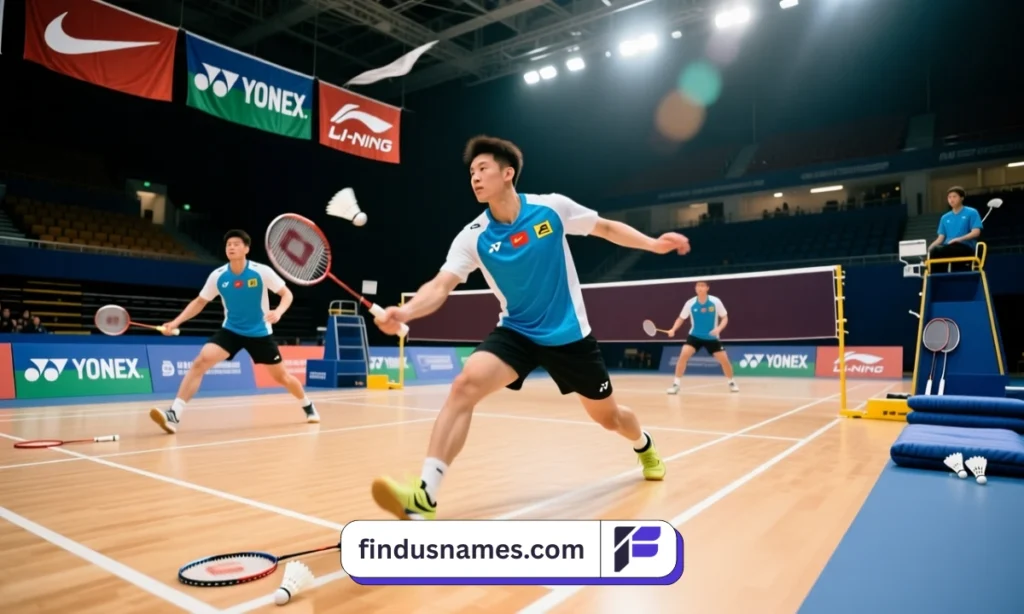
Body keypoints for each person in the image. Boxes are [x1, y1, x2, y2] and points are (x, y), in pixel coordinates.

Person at [369, 135, 692, 520]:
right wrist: (404, 313)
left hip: (570, 336)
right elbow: (440, 285)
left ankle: (644, 445)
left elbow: (604, 228)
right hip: (517, 332)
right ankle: (425, 496)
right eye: (471, 172)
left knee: (609, 419)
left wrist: (654, 244)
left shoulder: (550, 208)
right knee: (465, 385)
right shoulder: (472, 236)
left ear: (508, 173)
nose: (474, 177)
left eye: (483, 169)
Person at [149, 230, 319, 434]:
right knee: (200, 361)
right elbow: (200, 302)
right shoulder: (219, 276)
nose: (231, 247)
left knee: (282, 377)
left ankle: (308, 405)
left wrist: (279, 312)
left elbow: (287, 294)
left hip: (259, 333)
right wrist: (175, 322)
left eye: (236, 244)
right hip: (231, 331)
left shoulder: (261, 271)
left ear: (246, 249)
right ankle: (174, 414)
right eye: (228, 244)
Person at [664, 281, 738, 395]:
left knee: (724, 360)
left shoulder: (715, 301)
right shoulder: (690, 303)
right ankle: (676, 384)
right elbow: (681, 318)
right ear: (695, 288)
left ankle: (731, 382)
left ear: (707, 288)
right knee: (683, 355)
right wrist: (673, 329)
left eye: (702, 286)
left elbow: (725, 318)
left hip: (712, 337)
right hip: (695, 336)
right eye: (698, 286)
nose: (700, 288)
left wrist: (718, 329)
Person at [928, 186, 983, 271]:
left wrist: (958, 239)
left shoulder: (972, 212)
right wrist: (930, 248)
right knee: (934, 251)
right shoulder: (945, 217)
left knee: (939, 251)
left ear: (961, 198)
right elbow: (940, 238)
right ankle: (936, 277)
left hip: (965, 247)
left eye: (954, 196)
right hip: (948, 247)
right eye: (949, 197)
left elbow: (976, 232)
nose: (951, 199)